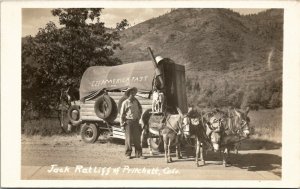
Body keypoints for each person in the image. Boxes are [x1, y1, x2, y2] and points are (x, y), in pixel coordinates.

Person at [120, 87, 146, 159]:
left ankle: (139, 154)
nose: (133, 94)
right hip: (128, 122)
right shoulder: (125, 103)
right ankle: (128, 154)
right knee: (128, 139)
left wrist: (139, 117)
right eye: (131, 93)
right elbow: (122, 114)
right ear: (128, 94)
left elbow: (140, 109)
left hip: (136, 122)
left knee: (137, 139)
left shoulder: (136, 102)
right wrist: (122, 125)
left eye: (134, 93)